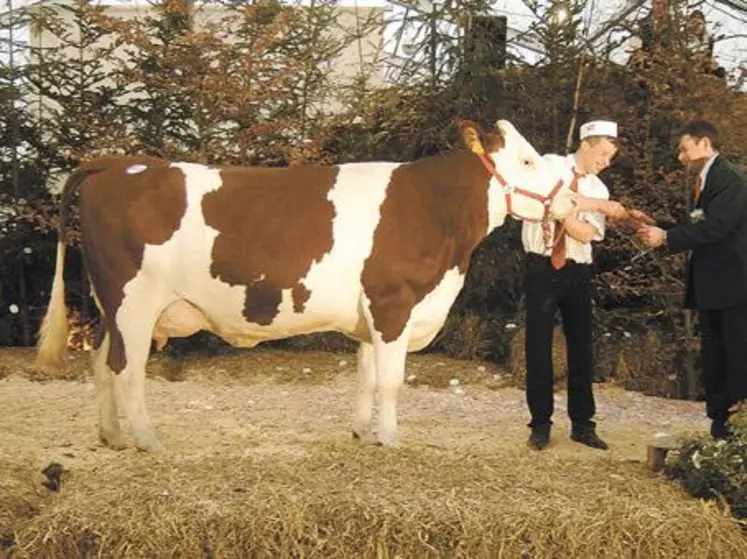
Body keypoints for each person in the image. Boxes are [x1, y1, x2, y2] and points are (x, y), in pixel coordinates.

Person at [522, 120, 628, 451]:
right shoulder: (550, 165)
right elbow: (540, 195)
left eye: (611, 157)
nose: (606, 162)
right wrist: (587, 208)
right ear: (586, 144)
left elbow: (585, 234)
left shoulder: (599, 187)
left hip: (577, 269)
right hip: (540, 265)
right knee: (538, 347)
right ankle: (540, 425)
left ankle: (583, 424)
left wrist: (559, 211)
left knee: (581, 347)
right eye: (604, 153)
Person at [638, 119, 747, 439]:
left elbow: (717, 228)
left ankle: (737, 428)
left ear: (704, 144)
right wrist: (658, 226)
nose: (680, 157)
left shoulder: (730, 180)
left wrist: (666, 238)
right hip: (715, 288)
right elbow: (699, 224)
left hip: (735, 288)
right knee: (714, 354)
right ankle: (721, 424)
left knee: (737, 354)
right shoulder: (704, 181)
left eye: (684, 149)